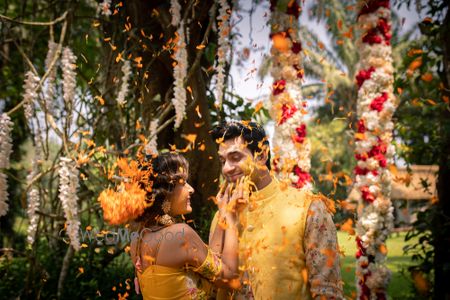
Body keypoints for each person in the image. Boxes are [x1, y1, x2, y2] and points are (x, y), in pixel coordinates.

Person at [209, 121, 343, 300]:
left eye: (235, 157)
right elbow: (210, 289)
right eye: (222, 160)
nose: (226, 168)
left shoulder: (307, 208)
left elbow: (327, 292)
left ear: (262, 155)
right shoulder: (222, 215)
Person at [99, 152, 244, 299]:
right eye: (182, 183)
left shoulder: (138, 239)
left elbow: (211, 266)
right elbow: (231, 280)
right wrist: (231, 218)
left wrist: (222, 217)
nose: (191, 189)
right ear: (165, 192)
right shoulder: (181, 235)